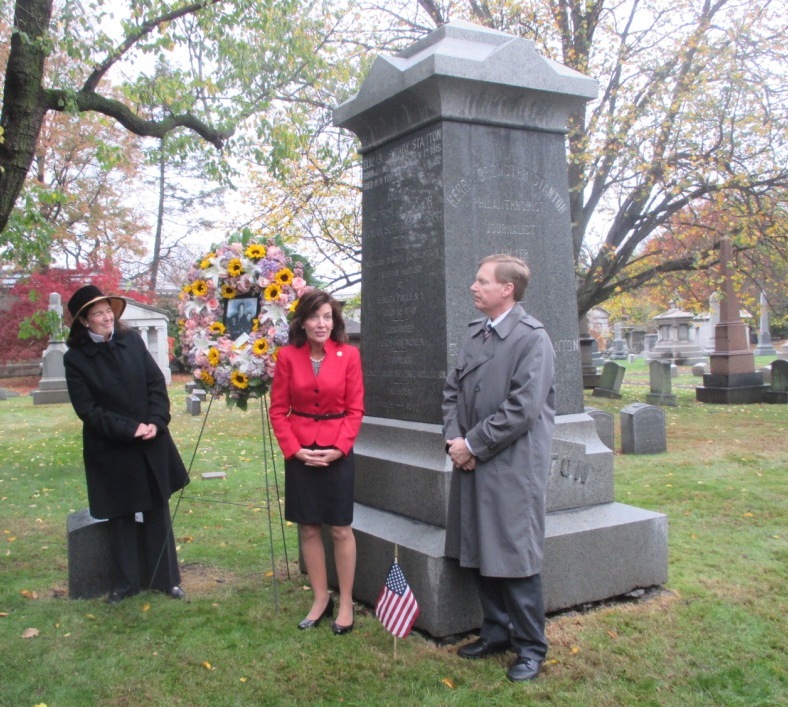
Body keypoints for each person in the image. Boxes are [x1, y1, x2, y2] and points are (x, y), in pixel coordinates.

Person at [442, 254, 556, 682]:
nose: (473, 287)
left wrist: (472, 444)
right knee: (478, 547)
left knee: (514, 553)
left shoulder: (532, 339)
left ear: (507, 289)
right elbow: (451, 391)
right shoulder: (476, 334)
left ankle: (530, 647)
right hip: (471, 459)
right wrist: (455, 441)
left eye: (482, 281)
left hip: (511, 466)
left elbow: (523, 409)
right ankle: (496, 631)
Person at [64, 285, 189, 603]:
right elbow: (88, 410)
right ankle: (126, 584)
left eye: (108, 311)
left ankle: (166, 580)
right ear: (84, 321)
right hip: (112, 447)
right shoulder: (76, 359)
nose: (106, 317)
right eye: (98, 313)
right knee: (121, 516)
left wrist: (156, 422)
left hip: (150, 440)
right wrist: (130, 429)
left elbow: (155, 382)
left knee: (157, 511)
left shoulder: (131, 340)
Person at [269, 290, 364, 635]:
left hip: (337, 451)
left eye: (327, 317)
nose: (321, 324)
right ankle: (321, 598)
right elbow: (278, 410)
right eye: (314, 317)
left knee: (340, 528)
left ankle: (347, 601)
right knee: (308, 527)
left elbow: (356, 409)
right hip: (301, 451)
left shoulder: (349, 355)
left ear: (334, 321)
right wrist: (294, 449)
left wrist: (340, 447)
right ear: (302, 321)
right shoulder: (287, 357)